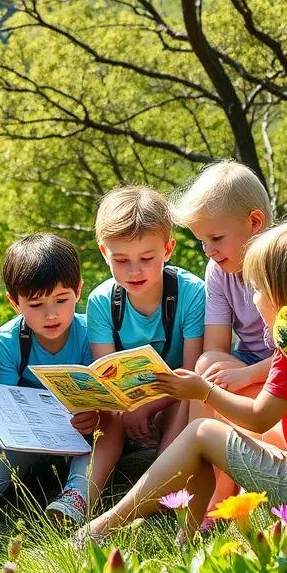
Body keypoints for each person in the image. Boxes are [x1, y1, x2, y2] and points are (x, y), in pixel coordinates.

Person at [81, 221, 287, 541]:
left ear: (284, 297)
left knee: (202, 432)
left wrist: (205, 392)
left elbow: (259, 418)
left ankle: (102, 528)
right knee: (208, 434)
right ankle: (188, 537)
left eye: (258, 290)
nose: (255, 301)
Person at [0, 234, 125, 536]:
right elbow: (3, 403)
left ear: (79, 290)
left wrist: (93, 414)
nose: (51, 314)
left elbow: (104, 396)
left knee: (108, 426)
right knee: (6, 447)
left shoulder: (91, 333)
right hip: (28, 439)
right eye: (36, 304)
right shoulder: (7, 341)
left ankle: (75, 499)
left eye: (61, 300)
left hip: (80, 435)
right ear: (14, 303)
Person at [171, 160, 278, 511]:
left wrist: (246, 374)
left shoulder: (285, 262)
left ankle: (220, 495)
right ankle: (194, 483)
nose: (209, 251)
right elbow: (215, 349)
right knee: (206, 363)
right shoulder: (218, 271)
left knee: (215, 376)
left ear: (255, 222)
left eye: (216, 238)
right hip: (247, 366)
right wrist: (228, 374)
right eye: (202, 241)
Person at [86, 186, 206, 452]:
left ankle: (166, 471)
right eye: (121, 260)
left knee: (187, 402)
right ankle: (83, 490)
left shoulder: (191, 292)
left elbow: (191, 375)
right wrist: (130, 411)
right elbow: (106, 379)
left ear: (168, 249)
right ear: (105, 253)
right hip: (125, 407)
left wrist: (148, 408)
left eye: (147, 258)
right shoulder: (101, 302)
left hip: (175, 399)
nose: (134, 270)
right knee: (108, 416)